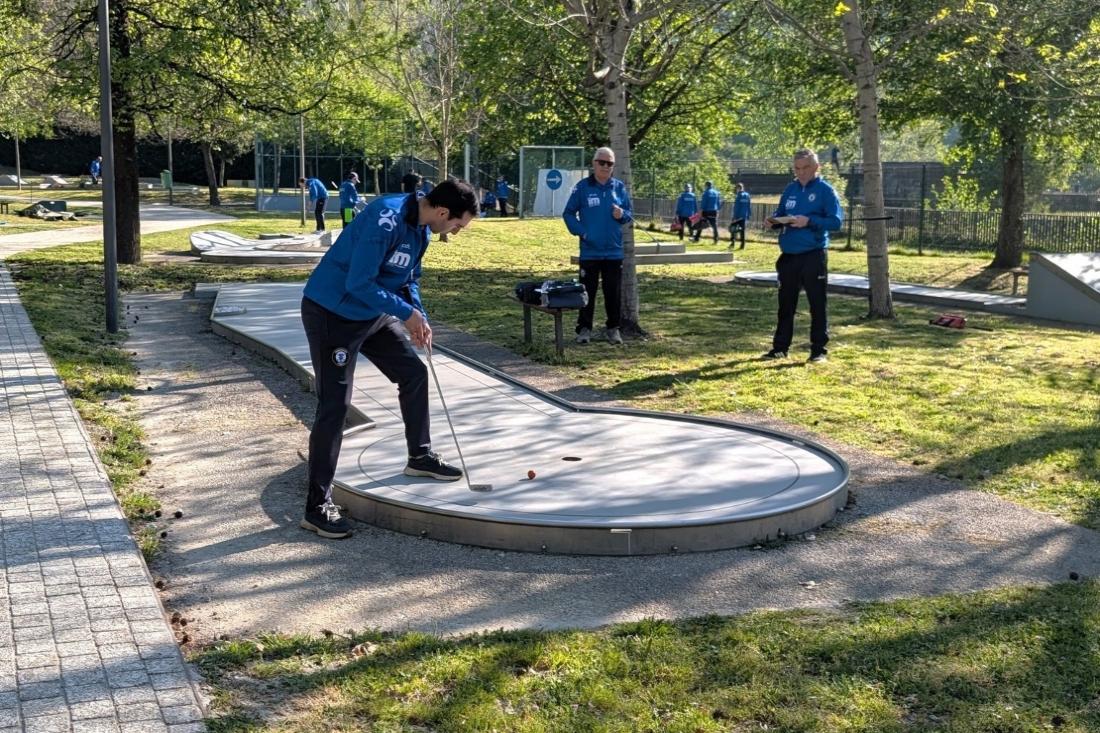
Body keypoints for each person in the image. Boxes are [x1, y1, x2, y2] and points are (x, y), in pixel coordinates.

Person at [299, 179, 480, 539]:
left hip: (372, 315)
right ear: (443, 212)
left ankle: (420, 456)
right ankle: (317, 506)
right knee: (335, 405)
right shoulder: (385, 218)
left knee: (413, 373)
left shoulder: (422, 231)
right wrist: (405, 314)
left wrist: (418, 315)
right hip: (333, 313)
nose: (456, 232)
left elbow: (409, 278)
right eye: (457, 225)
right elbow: (359, 283)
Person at [763, 148, 843, 363]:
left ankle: (818, 351)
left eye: (806, 167)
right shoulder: (790, 189)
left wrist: (809, 221)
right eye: (797, 168)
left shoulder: (826, 191)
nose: (801, 172)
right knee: (785, 304)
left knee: (817, 303)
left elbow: (836, 222)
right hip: (788, 255)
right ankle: (780, 348)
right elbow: (781, 214)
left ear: (817, 167)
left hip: (813, 254)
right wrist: (773, 222)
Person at [562, 146, 633, 345]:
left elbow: (628, 214)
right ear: (594, 164)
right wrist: (582, 232)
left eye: (609, 163)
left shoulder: (618, 187)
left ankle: (613, 329)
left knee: (613, 292)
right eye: (601, 162)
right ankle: (584, 329)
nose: (605, 166)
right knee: (586, 292)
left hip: (613, 252)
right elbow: (568, 213)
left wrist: (622, 215)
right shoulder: (582, 187)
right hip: (590, 252)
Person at [729, 182, 751, 249]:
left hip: (738, 216)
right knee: (742, 230)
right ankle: (742, 245)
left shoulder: (739, 195)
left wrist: (734, 217)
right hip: (744, 216)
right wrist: (749, 214)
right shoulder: (747, 195)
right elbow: (749, 205)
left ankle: (732, 243)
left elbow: (737, 207)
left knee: (732, 228)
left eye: (736, 189)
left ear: (738, 188)